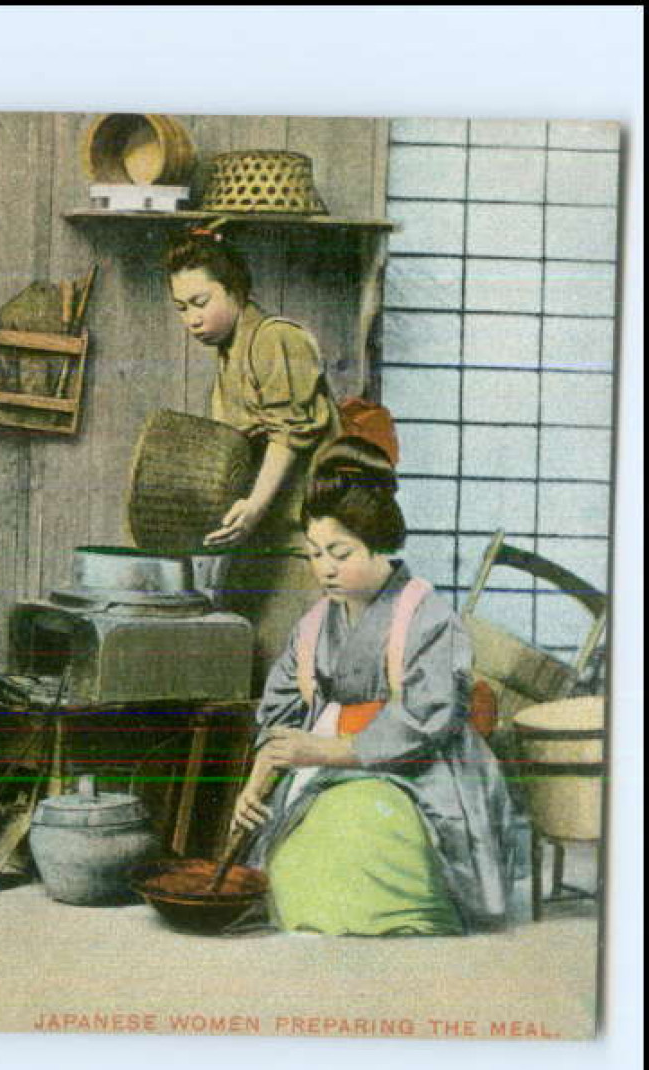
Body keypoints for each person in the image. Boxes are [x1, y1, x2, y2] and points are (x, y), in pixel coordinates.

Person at [230, 439, 524, 935]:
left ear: (378, 544)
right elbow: (280, 713)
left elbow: (422, 722)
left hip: (418, 769)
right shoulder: (313, 625)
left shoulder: (427, 617)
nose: (324, 568)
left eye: (340, 553)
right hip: (321, 765)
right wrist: (259, 777)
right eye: (315, 553)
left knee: (368, 834)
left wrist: (321, 749)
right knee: (301, 850)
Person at [165, 227, 341, 685]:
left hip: (307, 537)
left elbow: (289, 436)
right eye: (181, 308)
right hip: (264, 536)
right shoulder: (228, 356)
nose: (191, 319)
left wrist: (254, 507)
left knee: (296, 670)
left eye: (201, 302)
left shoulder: (275, 338)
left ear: (236, 291)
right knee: (245, 660)